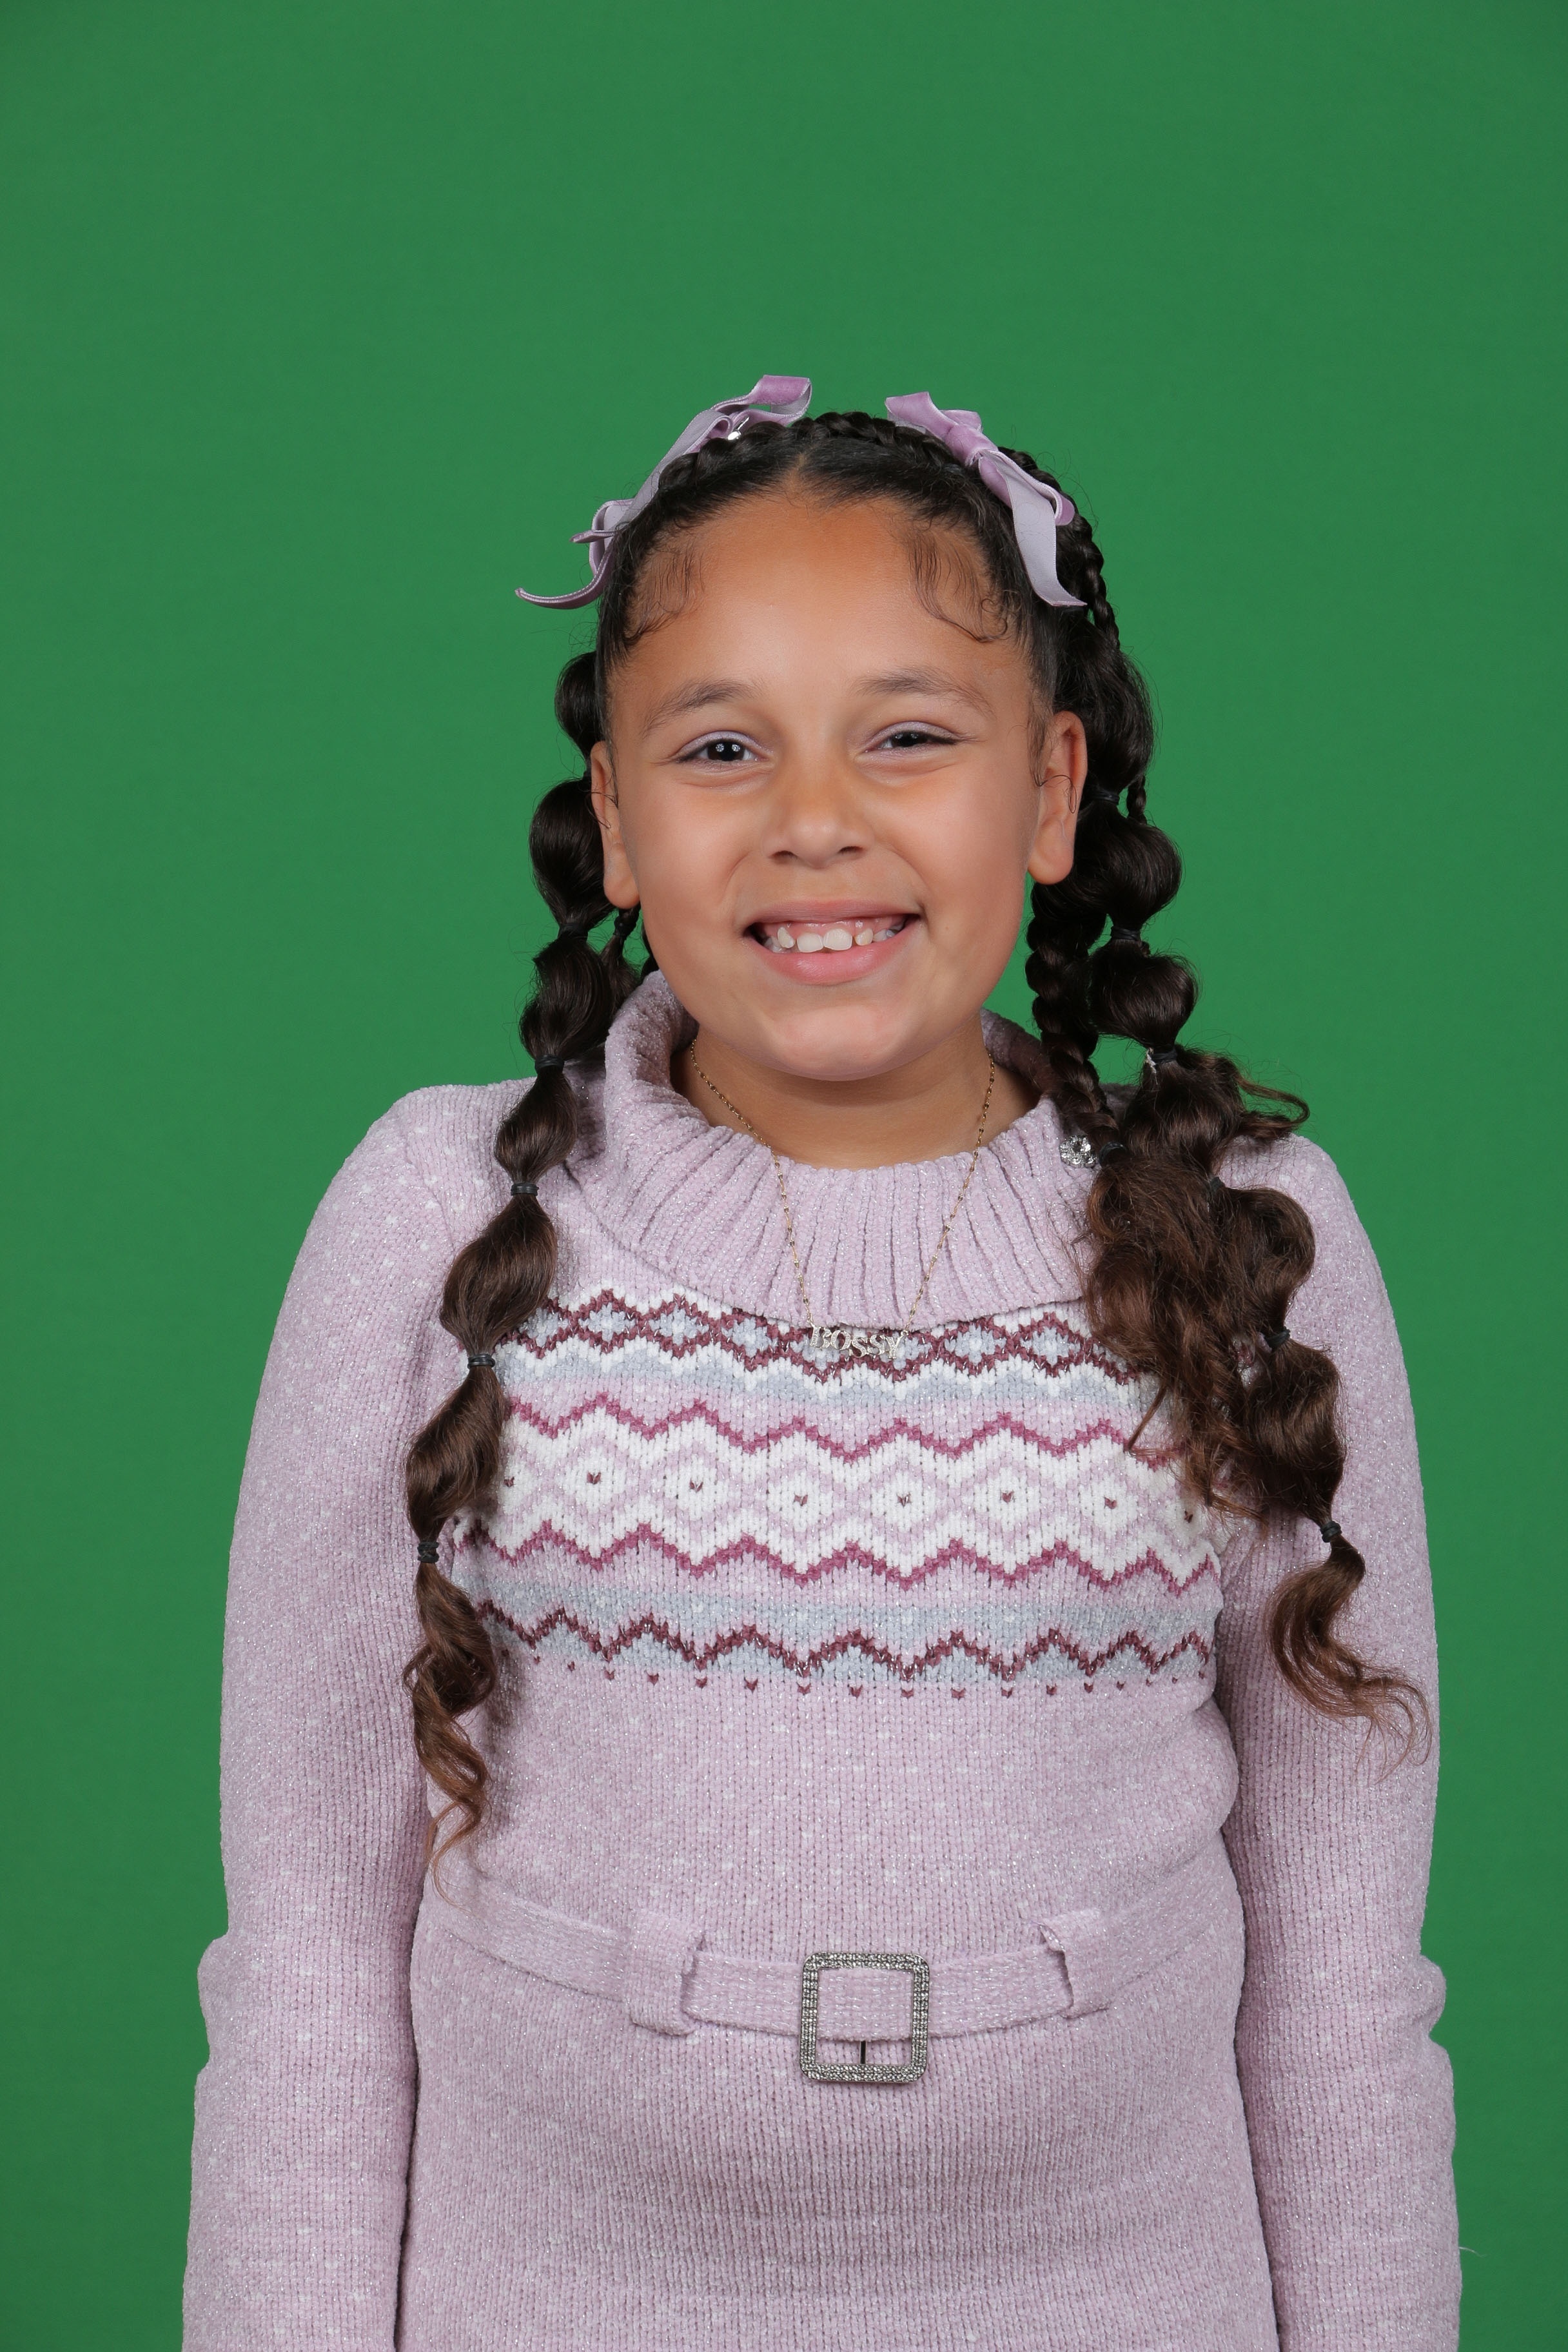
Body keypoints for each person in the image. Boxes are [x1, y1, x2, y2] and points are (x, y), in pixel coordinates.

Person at [182, 377, 1460, 2350]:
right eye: (720, 746)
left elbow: (1344, 1989)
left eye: (910, 735)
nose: (813, 820)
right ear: (617, 817)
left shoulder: (1244, 1241)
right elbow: (310, 1974)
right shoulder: (434, 1220)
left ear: (1050, 791)